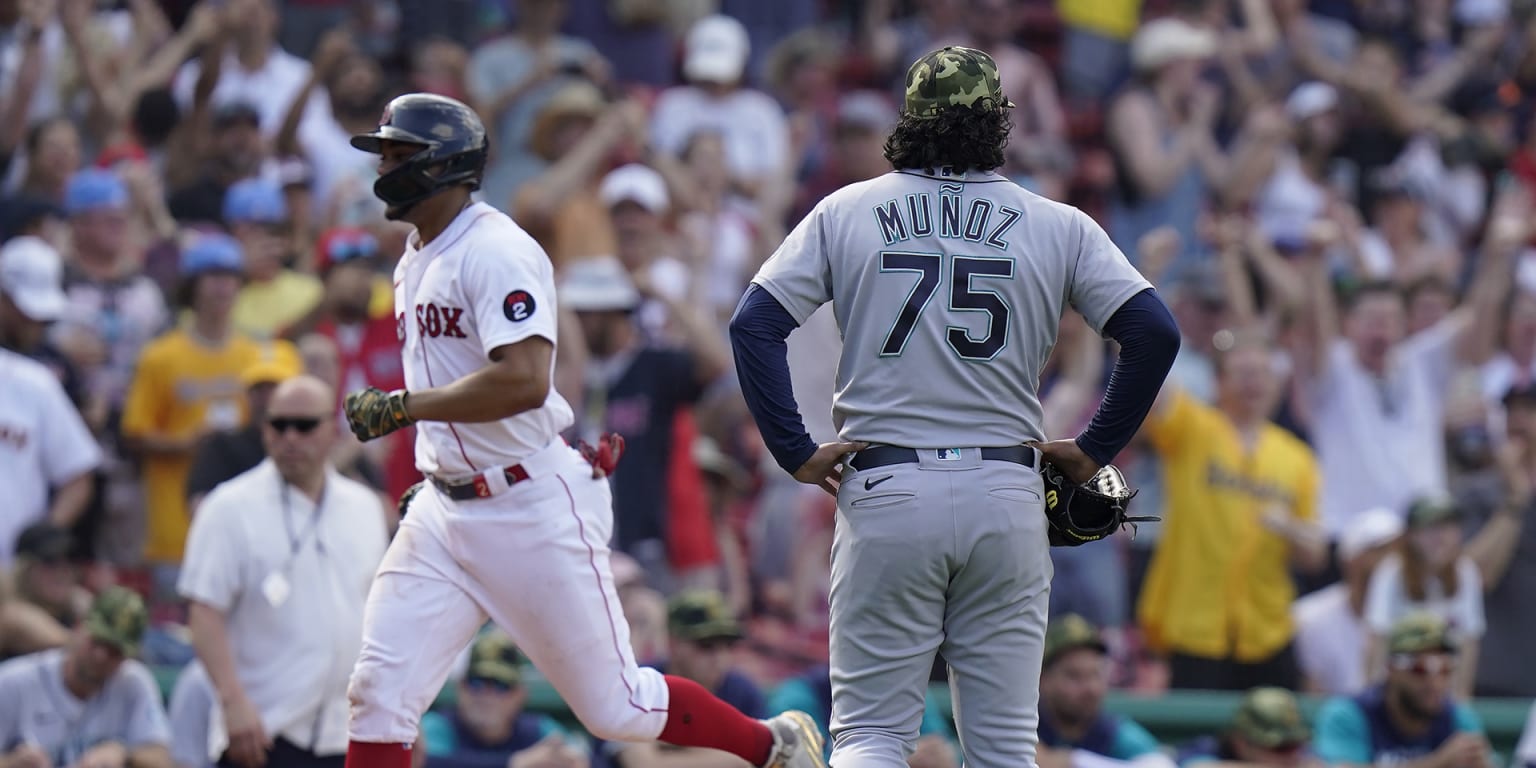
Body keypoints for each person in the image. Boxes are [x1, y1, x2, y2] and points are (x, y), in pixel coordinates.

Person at [338, 92, 826, 768]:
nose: (384, 166)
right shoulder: (414, 257)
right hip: (446, 509)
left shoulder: (497, 250)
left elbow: (526, 379)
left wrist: (404, 409)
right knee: (377, 693)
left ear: (442, 164)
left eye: (398, 154)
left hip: (527, 504)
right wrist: (437, 466)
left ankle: (770, 744)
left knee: (616, 706)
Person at [728, 46, 1180, 768]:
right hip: (1006, 486)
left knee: (873, 735)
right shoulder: (1055, 221)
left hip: (887, 482)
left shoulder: (848, 207)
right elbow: (1154, 332)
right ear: (996, 124)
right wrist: (1094, 447)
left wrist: (795, 449)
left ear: (911, 121)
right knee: (1002, 748)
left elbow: (753, 324)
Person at [179, 375, 391, 768]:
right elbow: (203, 611)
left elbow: (380, 616)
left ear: (331, 430)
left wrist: (399, 710)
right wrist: (232, 702)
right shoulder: (228, 506)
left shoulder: (365, 507)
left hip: (345, 731)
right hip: (261, 732)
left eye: (305, 426)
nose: (290, 437)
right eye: (278, 425)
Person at [0, 586, 174, 767]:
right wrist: (11, 763)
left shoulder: (133, 681)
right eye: (97, 641)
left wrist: (124, 755)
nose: (101, 656)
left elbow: (162, 759)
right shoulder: (14, 681)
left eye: (114, 650)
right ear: (78, 627)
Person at [1313, 613, 1493, 768]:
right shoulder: (1349, 715)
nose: (1434, 682)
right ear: (1391, 668)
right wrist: (1437, 763)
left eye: (1445, 668)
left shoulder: (1459, 720)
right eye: (1420, 668)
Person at [420, 627, 583, 768]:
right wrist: (513, 764)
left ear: (519, 695)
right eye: (477, 682)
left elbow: (585, 759)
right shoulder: (438, 726)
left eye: (501, 685)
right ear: (460, 688)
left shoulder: (537, 730)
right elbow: (425, 762)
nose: (487, 695)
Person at [1036, 614, 1173, 768]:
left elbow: (1161, 764)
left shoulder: (1114, 733)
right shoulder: (1027, 726)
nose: (1091, 688)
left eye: (1096, 675)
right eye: (1074, 676)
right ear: (1042, 679)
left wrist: (1075, 761)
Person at [1177, 687, 1320, 768]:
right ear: (1242, 743)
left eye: (1295, 745)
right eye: (1280, 748)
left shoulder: (1303, 755)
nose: (1292, 756)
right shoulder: (1208, 749)